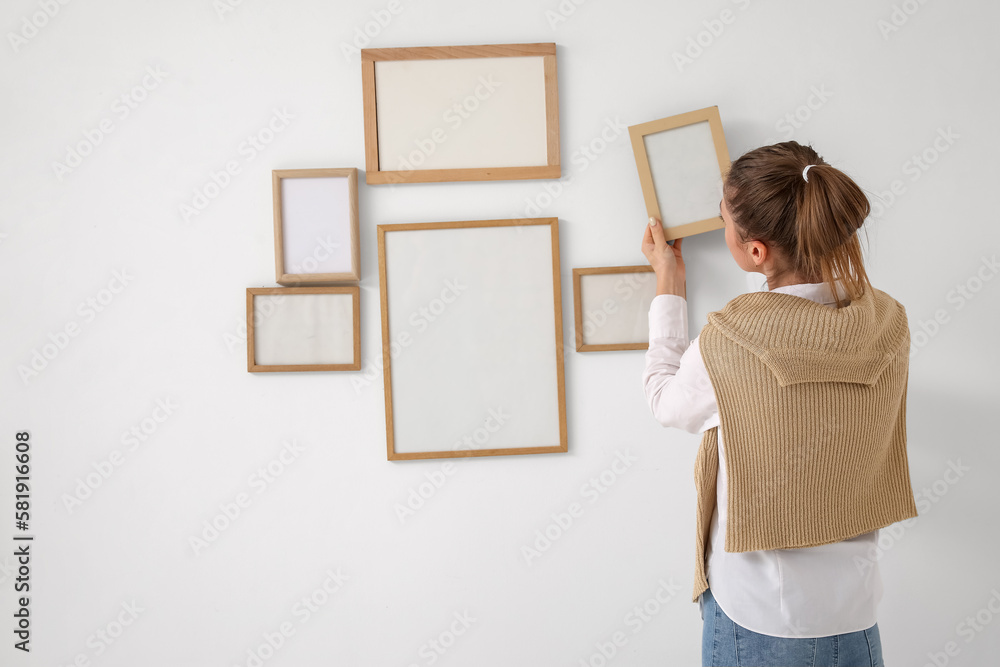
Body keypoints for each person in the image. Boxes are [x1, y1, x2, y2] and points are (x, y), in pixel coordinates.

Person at [640, 141, 918, 667]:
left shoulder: (731, 339)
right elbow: (801, 333)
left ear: (757, 252)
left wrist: (668, 285)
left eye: (725, 221)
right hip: (855, 615)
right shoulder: (888, 321)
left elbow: (666, 402)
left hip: (758, 614)